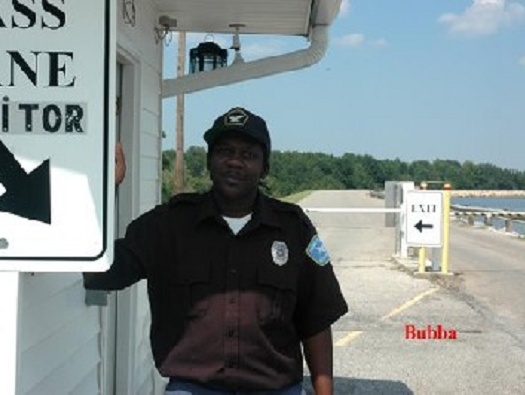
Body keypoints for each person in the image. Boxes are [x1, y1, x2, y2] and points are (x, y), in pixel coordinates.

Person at [84, 107, 348, 395]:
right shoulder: (169, 225)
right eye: (225, 152)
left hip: (275, 388)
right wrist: (103, 189)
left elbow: (317, 319)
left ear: (265, 168)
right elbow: (103, 273)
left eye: (248, 155)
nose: (235, 161)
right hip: (191, 387)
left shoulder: (294, 229)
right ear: (209, 161)